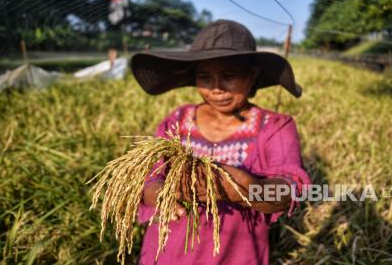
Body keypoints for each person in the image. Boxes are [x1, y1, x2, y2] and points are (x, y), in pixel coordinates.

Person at [130, 19, 311, 265]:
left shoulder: (275, 127)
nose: (216, 88)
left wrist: (247, 190)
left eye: (229, 76)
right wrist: (159, 192)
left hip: (235, 255)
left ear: (252, 75)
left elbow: (288, 191)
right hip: (167, 252)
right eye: (205, 77)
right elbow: (149, 177)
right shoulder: (178, 121)